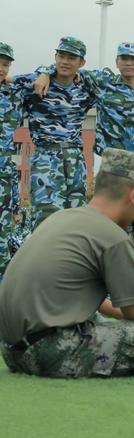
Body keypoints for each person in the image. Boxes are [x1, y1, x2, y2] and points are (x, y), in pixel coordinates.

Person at [0, 148, 134, 378]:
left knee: (96, 317)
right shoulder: (112, 238)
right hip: (50, 355)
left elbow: (79, 298)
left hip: (11, 351)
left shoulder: (62, 217)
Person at [35, 41, 134, 222]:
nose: (128, 63)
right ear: (116, 62)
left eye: (133, 59)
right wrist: (45, 73)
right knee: (108, 226)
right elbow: (68, 67)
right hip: (114, 170)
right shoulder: (103, 83)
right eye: (123, 58)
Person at [15, 37, 95, 228]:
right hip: (46, 157)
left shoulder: (86, 88)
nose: (64, 62)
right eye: (61, 56)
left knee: (75, 219)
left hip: (75, 159)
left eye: (71, 58)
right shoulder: (36, 84)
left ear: (81, 63)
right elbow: (7, 80)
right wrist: (44, 72)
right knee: (47, 218)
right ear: (55, 57)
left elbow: (120, 86)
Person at [0, 42, 22, 282]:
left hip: (4, 180)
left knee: (2, 244)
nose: (1, 67)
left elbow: (48, 74)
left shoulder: (13, 93)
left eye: (5, 63)